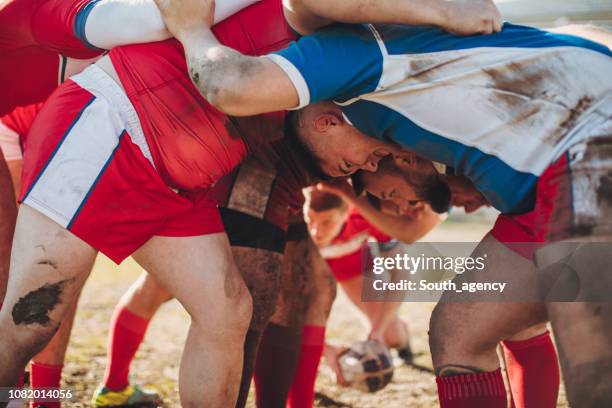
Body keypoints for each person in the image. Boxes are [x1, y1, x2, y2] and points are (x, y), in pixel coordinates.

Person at [157, 2, 612, 403]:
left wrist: (192, 28)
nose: (365, 166)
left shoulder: (351, 54)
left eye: (352, 169)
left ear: (326, 121)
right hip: (546, 182)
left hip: (589, 143)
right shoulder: (407, 100)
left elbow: (230, 84)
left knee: (593, 375)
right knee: (459, 331)